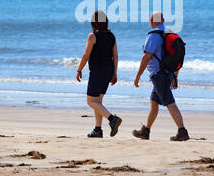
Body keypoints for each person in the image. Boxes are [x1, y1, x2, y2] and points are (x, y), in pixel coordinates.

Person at [132, 11, 189, 141]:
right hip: (167, 74)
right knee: (154, 103)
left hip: (158, 75)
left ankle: (182, 131)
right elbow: (177, 57)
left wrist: (137, 76)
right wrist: (175, 75)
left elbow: (146, 57)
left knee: (170, 104)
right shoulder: (170, 33)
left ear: (151, 21)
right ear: (163, 20)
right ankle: (145, 131)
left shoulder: (153, 36)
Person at [76, 10, 122, 138]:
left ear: (93, 23)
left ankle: (112, 119)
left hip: (97, 71)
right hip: (108, 71)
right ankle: (98, 129)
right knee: (98, 101)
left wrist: (79, 70)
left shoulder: (93, 36)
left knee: (90, 101)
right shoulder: (111, 36)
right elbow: (116, 56)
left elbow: (86, 55)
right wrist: (115, 73)